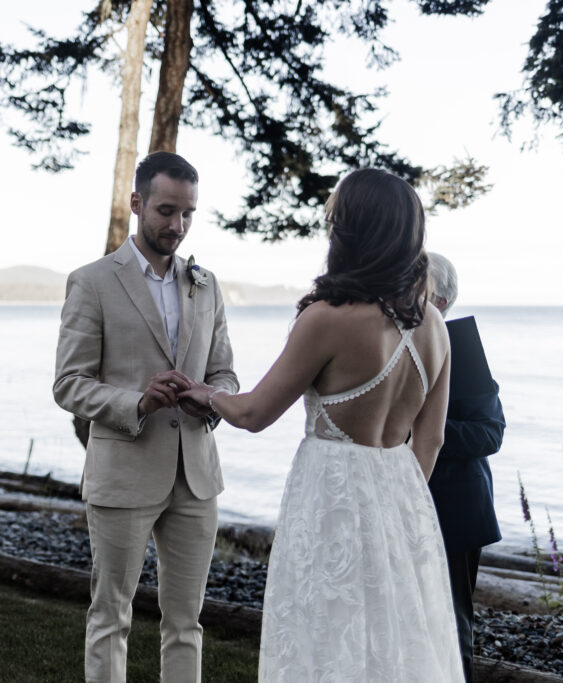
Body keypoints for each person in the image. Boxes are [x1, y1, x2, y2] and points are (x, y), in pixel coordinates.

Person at [181, 168, 463, 682]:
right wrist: (396, 507)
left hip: (331, 498)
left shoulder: (328, 318)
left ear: (352, 231)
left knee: (324, 632)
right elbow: (433, 437)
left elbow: (253, 413)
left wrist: (206, 393)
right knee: (395, 638)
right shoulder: (435, 325)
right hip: (402, 498)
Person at [53, 151, 238, 682]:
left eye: (187, 214)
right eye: (165, 211)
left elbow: (225, 373)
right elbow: (69, 384)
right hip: (124, 473)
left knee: (187, 623)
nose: (176, 226)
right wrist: (137, 401)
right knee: (111, 616)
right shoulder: (91, 282)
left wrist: (211, 396)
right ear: (136, 204)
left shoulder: (207, 284)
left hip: (197, 477)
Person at [427, 252, 505, 683]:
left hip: (455, 508)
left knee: (453, 623)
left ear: (437, 300)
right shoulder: (396, 343)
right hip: (406, 499)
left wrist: (422, 431)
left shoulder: (463, 346)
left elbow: (490, 433)